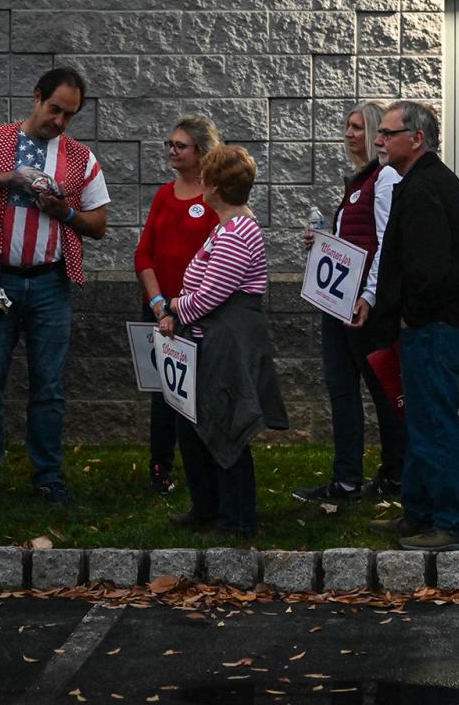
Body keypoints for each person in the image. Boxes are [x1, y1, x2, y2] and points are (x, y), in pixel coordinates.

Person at [0, 66, 110, 506]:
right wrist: (3, 179)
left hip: (50, 284)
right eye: (55, 109)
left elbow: (99, 224)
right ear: (36, 97)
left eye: (69, 115)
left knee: (49, 386)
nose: (59, 120)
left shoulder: (80, 157)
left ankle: (48, 477)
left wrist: (65, 213)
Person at [365, 100, 459, 552]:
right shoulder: (420, 182)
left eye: (388, 133)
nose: (380, 140)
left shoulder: (425, 188)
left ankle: (453, 523)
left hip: (434, 325)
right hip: (430, 323)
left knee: (434, 423)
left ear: (416, 138)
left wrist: (410, 313)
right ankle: (418, 514)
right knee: (420, 420)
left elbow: (427, 269)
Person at [159, 145, 287, 538]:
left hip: (226, 342)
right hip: (209, 339)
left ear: (214, 186)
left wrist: (173, 305)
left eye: (205, 177)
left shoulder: (236, 232)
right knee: (193, 426)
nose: (200, 183)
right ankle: (207, 505)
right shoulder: (227, 226)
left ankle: (236, 518)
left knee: (227, 426)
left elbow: (211, 295)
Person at [293, 100, 407, 504]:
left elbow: (385, 242)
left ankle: (395, 475)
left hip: (362, 306)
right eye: (347, 125)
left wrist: (371, 296)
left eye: (358, 126)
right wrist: (325, 243)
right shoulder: (357, 182)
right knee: (341, 389)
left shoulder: (384, 179)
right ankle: (346, 480)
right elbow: (359, 242)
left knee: (381, 391)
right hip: (337, 301)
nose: (349, 133)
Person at [134, 114, 221, 494]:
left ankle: (207, 470)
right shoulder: (164, 194)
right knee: (163, 394)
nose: (171, 150)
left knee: (200, 395)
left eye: (179, 145)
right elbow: (143, 255)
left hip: (197, 311)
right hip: (160, 310)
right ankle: (160, 468)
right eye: (169, 144)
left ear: (201, 151)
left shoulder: (216, 196)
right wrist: (157, 303)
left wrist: (182, 306)